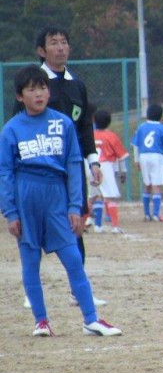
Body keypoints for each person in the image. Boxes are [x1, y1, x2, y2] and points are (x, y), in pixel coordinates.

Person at [0, 66, 122, 337]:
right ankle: (41, 321)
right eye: (31, 89)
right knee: (30, 261)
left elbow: (73, 163)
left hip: (56, 195)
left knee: (73, 258)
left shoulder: (63, 123)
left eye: (42, 88)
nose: (39, 94)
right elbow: (4, 172)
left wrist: (74, 206)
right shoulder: (11, 129)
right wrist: (10, 212)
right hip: (26, 196)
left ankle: (91, 319)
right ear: (20, 96)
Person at [17, 26, 107, 308]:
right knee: (35, 230)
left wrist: (92, 160)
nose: (60, 47)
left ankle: (78, 291)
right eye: (53, 43)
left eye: (64, 42)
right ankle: (32, 291)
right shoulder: (32, 84)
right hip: (40, 173)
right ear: (41, 51)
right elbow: (18, 127)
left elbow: (84, 127)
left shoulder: (76, 85)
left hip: (72, 169)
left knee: (76, 225)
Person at [90, 109, 129, 234]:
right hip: (105, 165)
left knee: (95, 196)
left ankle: (96, 225)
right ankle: (115, 226)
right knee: (110, 197)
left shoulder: (90, 134)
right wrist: (124, 171)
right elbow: (121, 156)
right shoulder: (111, 136)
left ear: (94, 121)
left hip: (91, 166)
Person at [132, 104, 163, 222]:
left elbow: (135, 145)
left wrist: (136, 161)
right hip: (157, 156)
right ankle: (156, 214)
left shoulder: (141, 127)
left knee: (147, 185)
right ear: (160, 115)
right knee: (156, 185)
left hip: (143, 156)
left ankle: (146, 214)